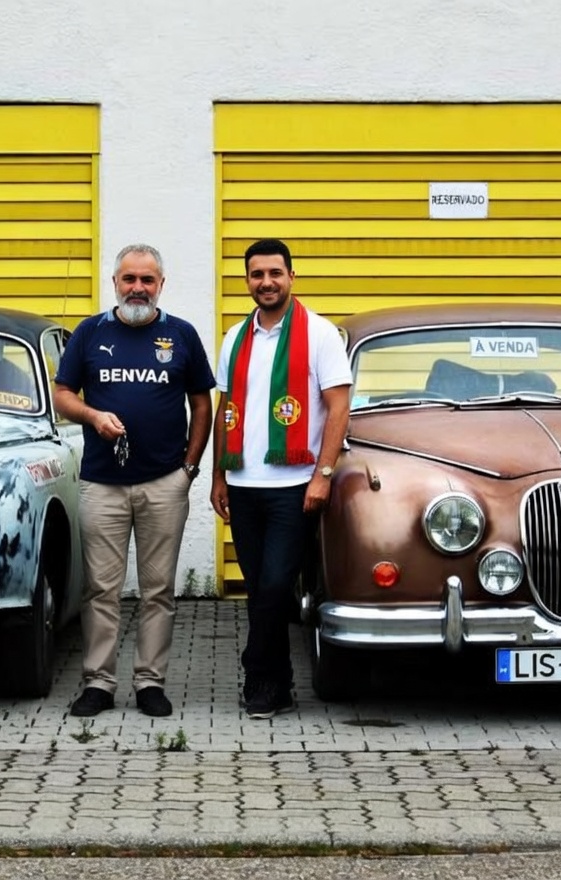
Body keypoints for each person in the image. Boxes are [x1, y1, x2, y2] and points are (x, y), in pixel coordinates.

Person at [55, 244, 215, 717]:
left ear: (161, 285)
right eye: (129, 279)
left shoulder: (181, 335)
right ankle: (98, 684)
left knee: (158, 589)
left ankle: (150, 683)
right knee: (101, 589)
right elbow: (63, 394)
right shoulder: (89, 332)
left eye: (147, 280)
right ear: (115, 283)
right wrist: (92, 414)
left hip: (164, 482)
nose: (138, 288)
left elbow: (202, 403)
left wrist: (189, 468)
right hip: (101, 483)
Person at [210, 238, 352, 719]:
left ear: (292, 276)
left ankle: (259, 676)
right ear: (247, 281)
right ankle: (280, 685)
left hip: (294, 487)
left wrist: (324, 474)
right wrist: (219, 477)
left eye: (275, 273)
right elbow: (225, 409)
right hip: (245, 486)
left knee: (274, 587)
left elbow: (338, 408)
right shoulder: (234, 338)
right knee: (259, 589)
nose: (266, 282)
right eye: (256, 275)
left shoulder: (319, 335)